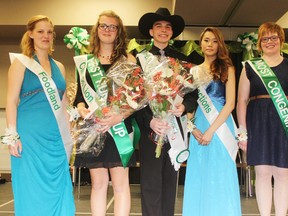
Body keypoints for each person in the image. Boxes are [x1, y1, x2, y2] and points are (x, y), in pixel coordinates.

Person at [4, 15, 75, 215]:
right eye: (40, 31)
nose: (46, 36)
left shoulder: (59, 66)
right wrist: (12, 135)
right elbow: (11, 101)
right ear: (30, 34)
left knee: (59, 186)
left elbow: (63, 103)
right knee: (31, 188)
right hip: (31, 137)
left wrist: (74, 123)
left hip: (56, 137)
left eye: (49, 32)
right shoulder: (20, 63)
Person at [73, 10, 137, 216]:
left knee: (120, 184)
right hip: (94, 127)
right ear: (96, 29)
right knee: (98, 184)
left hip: (119, 127)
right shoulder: (84, 62)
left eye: (112, 26)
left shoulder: (129, 60)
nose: (107, 30)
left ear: (119, 32)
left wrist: (120, 116)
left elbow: (136, 97)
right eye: (103, 26)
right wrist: (82, 109)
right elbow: (79, 97)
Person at [136, 8, 198, 216]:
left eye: (168, 27)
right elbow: (133, 99)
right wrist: (150, 121)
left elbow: (192, 95)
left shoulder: (183, 61)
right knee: (150, 184)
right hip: (150, 131)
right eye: (159, 26)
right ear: (151, 32)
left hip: (175, 130)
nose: (164, 30)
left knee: (171, 184)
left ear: (172, 32)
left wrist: (184, 107)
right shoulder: (139, 60)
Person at [182, 27, 241, 215]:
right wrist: (193, 129)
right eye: (207, 40)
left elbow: (231, 103)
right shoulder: (193, 71)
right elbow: (188, 103)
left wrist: (210, 131)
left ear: (220, 44)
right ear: (200, 43)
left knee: (221, 173)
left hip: (221, 125)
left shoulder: (227, 68)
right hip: (200, 124)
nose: (210, 44)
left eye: (215, 41)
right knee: (200, 173)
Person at [237, 22, 288, 216]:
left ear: (281, 40)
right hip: (258, 123)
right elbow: (241, 101)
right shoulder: (250, 67)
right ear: (259, 43)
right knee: (262, 173)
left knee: (283, 173)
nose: (269, 42)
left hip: (284, 122)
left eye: (274, 37)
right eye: (265, 38)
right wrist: (242, 131)